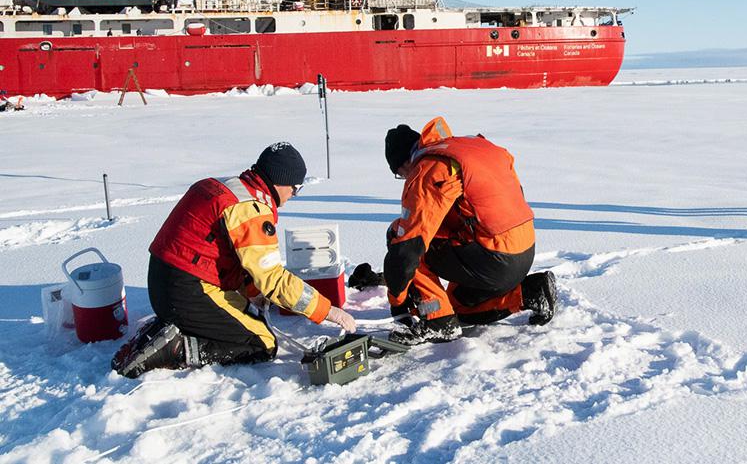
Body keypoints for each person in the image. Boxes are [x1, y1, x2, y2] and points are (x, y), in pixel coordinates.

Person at [112, 142, 357, 378]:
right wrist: (327, 310)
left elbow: (231, 255)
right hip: (186, 291)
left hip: (164, 280)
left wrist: (252, 292)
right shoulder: (250, 210)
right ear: (280, 180)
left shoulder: (223, 186)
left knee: (250, 316)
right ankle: (177, 348)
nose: (294, 194)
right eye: (295, 187)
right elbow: (273, 278)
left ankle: (171, 326)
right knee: (261, 343)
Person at [349, 117, 557, 346]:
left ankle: (438, 322)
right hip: (523, 248)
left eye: (400, 174)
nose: (404, 178)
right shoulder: (469, 149)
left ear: (405, 163)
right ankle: (530, 292)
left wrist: (397, 301)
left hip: (493, 257)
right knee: (458, 305)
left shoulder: (429, 169)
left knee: (400, 234)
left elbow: (408, 247)